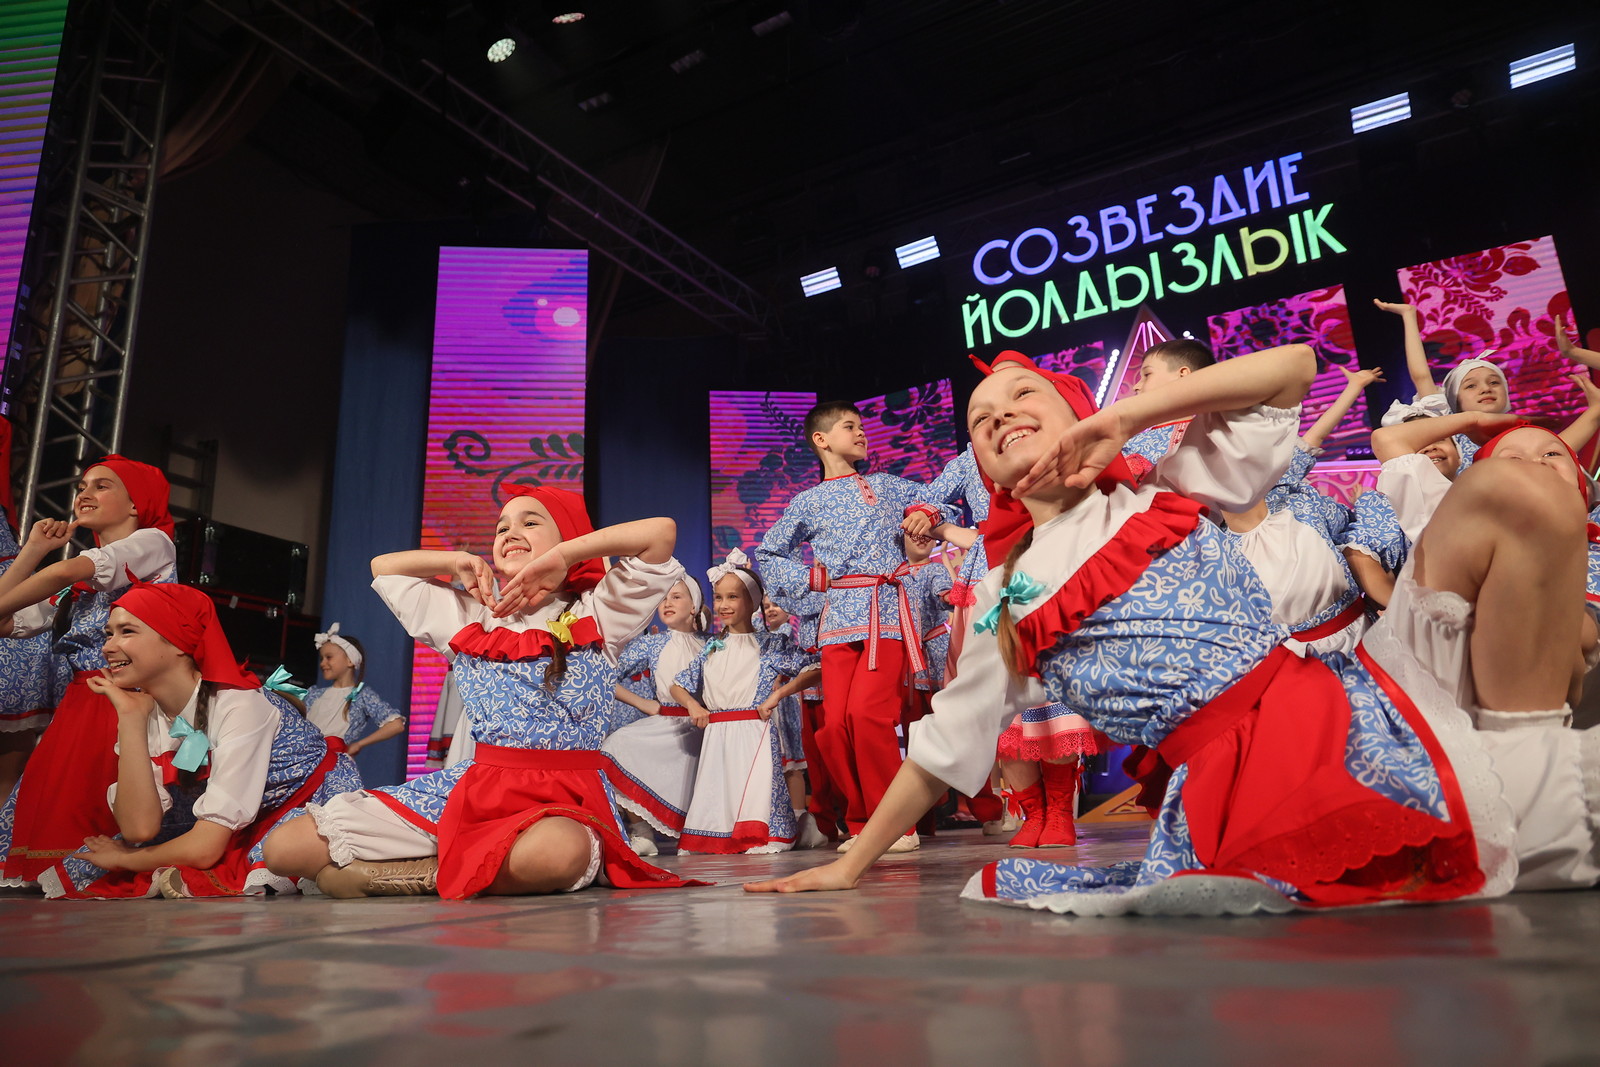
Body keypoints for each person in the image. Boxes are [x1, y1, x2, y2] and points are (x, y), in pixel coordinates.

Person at [749, 346, 1600, 913]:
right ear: (981, 466)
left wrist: (1126, 418)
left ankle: (1522, 756)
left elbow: (1294, 368)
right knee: (1544, 822)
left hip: (1351, 690)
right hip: (1255, 775)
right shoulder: (1010, 591)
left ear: (1076, 412)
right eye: (980, 418)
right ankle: (1528, 782)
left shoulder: (1160, 483)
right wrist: (849, 863)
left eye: (1022, 394)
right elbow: (945, 744)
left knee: (1517, 486)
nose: (999, 414)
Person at [262, 484, 701, 899]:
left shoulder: (600, 610)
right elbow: (383, 567)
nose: (511, 532)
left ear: (567, 536)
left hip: (564, 798)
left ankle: (410, 876)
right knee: (285, 847)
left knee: (557, 852)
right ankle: (452, 865)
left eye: (531, 522)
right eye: (501, 526)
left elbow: (660, 533)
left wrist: (566, 555)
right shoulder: (471, 616)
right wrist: (455, 560)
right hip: (474, 791)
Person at [44, 583, 361, 898]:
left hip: (303, 802)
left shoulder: (238, 705)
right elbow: (138, 828)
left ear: (178, 642)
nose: (107, 647)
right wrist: (130, 719)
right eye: (108, 634)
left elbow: (206, 848)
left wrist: (125, 859)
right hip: (236, 822)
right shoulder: (145, 709)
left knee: (277, 854)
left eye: (126, 631)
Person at [756, 401, 957, 852]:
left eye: (862, 426)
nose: (862, 433)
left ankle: (896, 826)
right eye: (850, 426)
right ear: (822, 439)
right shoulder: (807, 502)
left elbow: (941, 499)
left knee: (867, 716)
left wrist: (927, 514)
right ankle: (863, 823)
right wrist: (812, 580)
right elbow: (768, 553)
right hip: (836, 621)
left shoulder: (885, 485)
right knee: (833, 729)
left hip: (884, 613)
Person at [0, 456, 177, 888]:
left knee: (103, 818)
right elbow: (5, 620)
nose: (84, 494)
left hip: (129, 702)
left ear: (136, 504)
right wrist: (33, 550)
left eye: (102, 485)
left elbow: (69, 568)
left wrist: (54, 564)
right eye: (82, 486)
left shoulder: (154, 543)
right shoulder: (79, 582)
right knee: (58, 816)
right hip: (80, 706)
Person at [673, 552, 821, 854]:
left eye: (733, 597)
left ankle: (789, 829)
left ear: (752, 602)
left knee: (758, 812)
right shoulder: (712, 646)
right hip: (717, 737)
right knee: (719, 813)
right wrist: (692, 705)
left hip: (755, 736)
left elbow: (815, 668)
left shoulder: (770, 644)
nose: (723, 605)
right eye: (719, 597)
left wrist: (778, 694)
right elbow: (678, 685)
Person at [600, 577, 709, 854]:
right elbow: (603, 674)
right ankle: (642, 832)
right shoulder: (652, 644)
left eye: (676, 597)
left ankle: (703, 832)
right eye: (663, 598)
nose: (667, 603)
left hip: (707, 727)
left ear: (694, 606)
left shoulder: (713, 644)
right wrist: (643, 704)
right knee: (615, 747)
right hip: (668, 724)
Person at [301, 623, 405, 757]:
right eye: (322, 658)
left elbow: (396, 725)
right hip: (304, 758)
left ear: (350, 660)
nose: (322, 663)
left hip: (333, 762)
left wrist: (359, 744)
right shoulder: (313, 694)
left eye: (329, 657)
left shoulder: (361, 696)